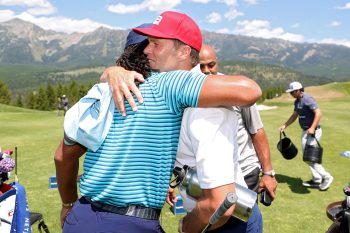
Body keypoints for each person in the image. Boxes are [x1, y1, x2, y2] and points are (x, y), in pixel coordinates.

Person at [55, 11, 262, 233]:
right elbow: (249, 89)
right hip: (133, 222)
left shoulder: (101, 91)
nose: (147, 50)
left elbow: (62, 156)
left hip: (83, 217)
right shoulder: (169, 85)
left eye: (155, 44)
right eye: (147, 44)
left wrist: (67, 203)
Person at [199, 44, 277, 196]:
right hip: (209, 176)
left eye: (211, 65)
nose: (207, 71)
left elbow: (256, 130)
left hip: (245, 171)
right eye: (201, 66)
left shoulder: (235, 89)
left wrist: (268, 173)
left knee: (246, 219)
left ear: (217, 62)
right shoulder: (187, 91)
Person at [279, 81, 333, 191]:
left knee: (309, 157)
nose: (291, 94)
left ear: (298, 90)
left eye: (292, 92)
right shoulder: (297, 102)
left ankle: (327, 177)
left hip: (313, 132)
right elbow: (295, 115)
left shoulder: (307, 99)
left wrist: (312, 127)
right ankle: (316, 179)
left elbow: (318, 113)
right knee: (307, 156)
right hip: (305, 132)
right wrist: (285, 125)